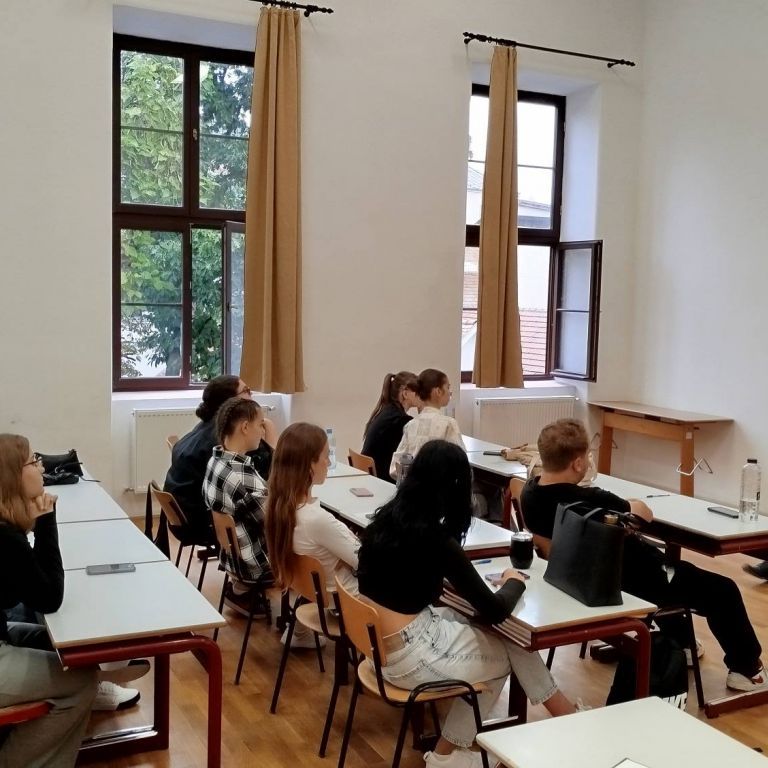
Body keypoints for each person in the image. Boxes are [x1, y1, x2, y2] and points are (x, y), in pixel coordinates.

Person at [358, 440, 575, 768]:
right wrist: (514, 581)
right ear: (456, 487)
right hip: (410, 656)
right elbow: (494, 610)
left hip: (379, 651)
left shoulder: (384, 523)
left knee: (501, 636)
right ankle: (446, 756)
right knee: (505, 652)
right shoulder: (435, 539)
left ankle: (564, 713)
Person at [521, 418, 767, 692]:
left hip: (576, 581)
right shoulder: (590, 499)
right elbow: (643, 513)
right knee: (723, 590)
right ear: (578, 463)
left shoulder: (529, 492)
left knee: (672, 573)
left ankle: (680, 644)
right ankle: (748, 670)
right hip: (631, 583)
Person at [0, 433, 98, 767]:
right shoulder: (5, 538)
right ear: (12, 476)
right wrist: (46, 519)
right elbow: (49, 597)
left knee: (68, 649)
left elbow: (37, 584)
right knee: (82, 681)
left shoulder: (6, 529)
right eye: (34, 461)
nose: (42, 467)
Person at [164, 375, 277, 547]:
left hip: (182, 518)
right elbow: (268, 475)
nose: (251, 394)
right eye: (246, 391)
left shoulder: (206, 428)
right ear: (230, 402)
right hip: (202, 524)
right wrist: (269, 429)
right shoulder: (224, 444)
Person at [266, 422, 360, 595]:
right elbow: (365, 563)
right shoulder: (315, 519)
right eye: (326, 456)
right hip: (352, 600)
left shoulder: (279, 506)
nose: (329, 462)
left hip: (320, 595)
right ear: (310, 465)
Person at [202, 398, 271, 614]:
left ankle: (240, 590)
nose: (263, 431)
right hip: (255, 563)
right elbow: (276, 523)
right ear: (245, 427)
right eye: (261, 424)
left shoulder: (215, 460)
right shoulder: (242, 477)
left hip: (232, 558)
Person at [389, 368, 464, 478]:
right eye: (448, 387)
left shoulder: (410, 425)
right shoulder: (449, 424)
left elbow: (395, 468)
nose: (450, 392)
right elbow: (461, 463)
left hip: (413, 486)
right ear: (438, 391)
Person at [361, 371, 420, 481]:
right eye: (417, 392)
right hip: (383, 480)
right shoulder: (401, 420)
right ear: (405, 393)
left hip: (372, 477)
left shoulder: (386, 412)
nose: (421, 395)